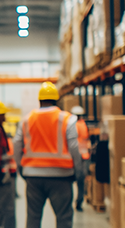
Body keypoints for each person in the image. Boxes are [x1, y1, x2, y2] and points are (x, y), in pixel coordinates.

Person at [14, 82, 83, 228]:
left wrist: (22, 169)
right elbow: (74, 147)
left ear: (39, 101)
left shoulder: (27, 119)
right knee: (63, 217)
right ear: (56, 100)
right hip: (61, 177)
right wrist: (78, 172)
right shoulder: (67, 119)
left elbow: (17, 145)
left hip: (33, 176)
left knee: (33, 217)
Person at [70, 106, 91, 212]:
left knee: (78, 179)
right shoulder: (82, 125)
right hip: (81, 156)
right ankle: (79, 201)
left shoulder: (73, 125)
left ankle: (78, 201)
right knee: (80, 180)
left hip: (78, 156)